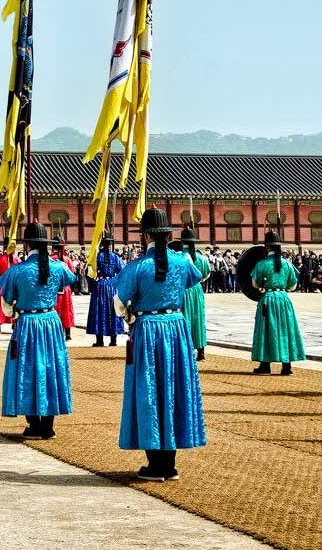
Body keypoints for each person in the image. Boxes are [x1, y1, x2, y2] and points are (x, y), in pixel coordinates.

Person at [113, 207, 206, 482]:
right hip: (177, 328)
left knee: (149, 390)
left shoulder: (137, 267)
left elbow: (119, 303)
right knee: (175, 389)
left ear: (144, 236)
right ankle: (170, 463)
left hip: (148, 329)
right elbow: (196, 278)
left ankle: (155, 464)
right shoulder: (182, 261)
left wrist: (130, 315)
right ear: (167, 235)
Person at [0, 222, 76, 440]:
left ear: (27, 244)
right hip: (51, 322)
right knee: (52, 368)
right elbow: (70, 282)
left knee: (28, 369)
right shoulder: (59, 267)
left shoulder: (17, 271)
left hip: (28, 323)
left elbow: (6, 303)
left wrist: (15, 313)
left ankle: (34, 424)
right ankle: (48, 425)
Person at [251, 232, 306, 375]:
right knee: (286, 329)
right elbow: (293, 286)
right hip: (284, 299)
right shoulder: (287, 264)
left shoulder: (261, 264)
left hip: (268, 298)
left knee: (267, 330)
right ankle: (286, 366)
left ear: (267, 247)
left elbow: (255, 284)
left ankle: (265, 365)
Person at [177, 228, 211, 361]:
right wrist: (200, 280)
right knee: (198, 318)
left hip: (183, 289)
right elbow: (207, 274)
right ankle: (201, 350)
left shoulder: (179, 257)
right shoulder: (202, 258)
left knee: (185, 318)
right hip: (197, 290)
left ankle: (186, 350)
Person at [87, 236, 125, 347]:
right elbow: (122, 271)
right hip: (112, 285)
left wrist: (92, 284)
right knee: (113, 310)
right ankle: (113, 340)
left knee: (99, 310)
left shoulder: (97, 256)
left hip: (100, 285)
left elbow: (90, 273)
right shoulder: (116, 257)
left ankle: (99, 340)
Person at [0, 238, 17, 333]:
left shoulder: (0, 259)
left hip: (1, 285)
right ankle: (14, 324)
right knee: (14, 304)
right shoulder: (17, 259)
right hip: (13, 285)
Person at [52, 238, 75, 342]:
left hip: (54, 289)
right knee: (67, 310)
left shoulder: (50, 259)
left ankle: (56, 333)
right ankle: (68, 334)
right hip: (66, 289)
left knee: (56, 311)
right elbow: (72, 275)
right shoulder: (67, 259)